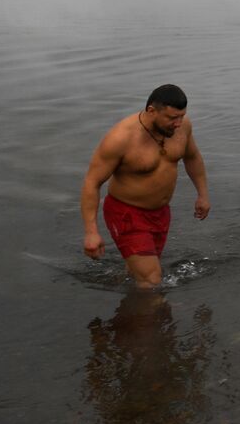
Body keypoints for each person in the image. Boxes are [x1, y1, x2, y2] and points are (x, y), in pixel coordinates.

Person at [81, 84, 210, 289]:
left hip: (160, 214)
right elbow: (92, 182)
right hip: (126, 215)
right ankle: (158, 308)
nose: (178, 123)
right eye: (172, 118)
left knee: (140, 273)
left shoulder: (182, 127)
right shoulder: (121, 138)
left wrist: (203, 194)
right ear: (151, 111)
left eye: (182, 116)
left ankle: (131, 304)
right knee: (152, 279)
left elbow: (192, 157)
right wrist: (91, 232)